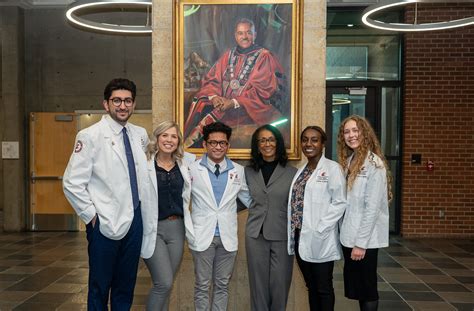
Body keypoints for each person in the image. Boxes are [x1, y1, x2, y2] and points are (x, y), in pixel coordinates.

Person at [63, 78, 151, 310]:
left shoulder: (139, 134)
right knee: (100, 286)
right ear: (106, 104)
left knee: (126, 284)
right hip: (103, 222)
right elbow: (72, 183)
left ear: (133, 104)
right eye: (117, 101)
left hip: (135, 220)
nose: (123, 106)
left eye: (128, 101)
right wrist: (92, 216)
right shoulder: (89, 135)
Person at [184, 17, 287, 148]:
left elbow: (263, 91)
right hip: (223, 109)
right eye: (240, 33)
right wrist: (215, 98)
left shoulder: (265, 57)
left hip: (250, 110)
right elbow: (212, 80)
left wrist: (233, 103)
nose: (245, 36)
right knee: (200, 106)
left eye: (248, 32)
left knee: (207, 125)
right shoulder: (228, 55)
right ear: (235, 36)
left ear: (255, 35)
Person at [187, 121, 252, 311]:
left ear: (228, 145)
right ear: (205, 145)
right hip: (202, 235)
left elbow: (248, 199)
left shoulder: (238, 171)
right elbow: (183, 200)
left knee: (222, 285)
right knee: (202, 285)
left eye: (222, 143)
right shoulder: (192, 169)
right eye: (213, 142)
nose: (218, 146)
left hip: (228, 237)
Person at [287, 126, 347, 311]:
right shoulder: (300, 170)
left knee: (323, 288)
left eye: (314, 140)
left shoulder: (332, 169)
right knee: (311, 286)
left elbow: (340, 202)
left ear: (323, 144)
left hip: (321, 237)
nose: (309, 144)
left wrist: (321, 227)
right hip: (299, 236)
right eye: (305, 139)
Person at [337, 115, 391, 311]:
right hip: (350, 235)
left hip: (363, 241)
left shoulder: (374, 164)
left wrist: (361, 244)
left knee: (367, 289)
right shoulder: (350, 160)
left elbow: (372, 208)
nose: (351, 135)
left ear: (364, 133)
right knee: (359, 288)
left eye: (355, 130)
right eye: (347, 131)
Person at [142, 121, 196, 311]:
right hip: (153, 229)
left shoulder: (187, 162)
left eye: (173, 136)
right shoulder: (144, 163)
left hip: (177, 229)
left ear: (178, 140)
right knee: (163, 283)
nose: (169, 140)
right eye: (164, 135)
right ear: (156, 138)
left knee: (166, 284)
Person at [245, 124, 297, 311]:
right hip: (255, 234)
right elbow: (243, 199)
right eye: (262, 140)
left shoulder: (292, 173)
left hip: (282, 233)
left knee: (280, 284)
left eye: (271, 139)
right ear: (257, 145)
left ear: (278, 142)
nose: (267, 144)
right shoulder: (248, 171)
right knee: (257, 285)